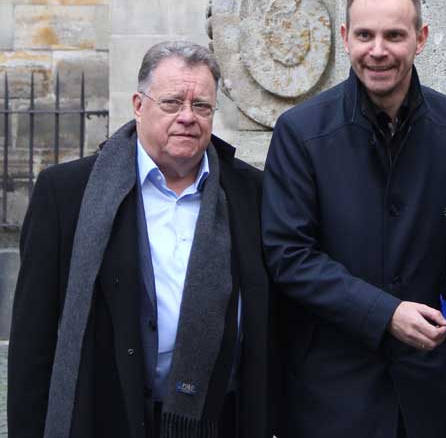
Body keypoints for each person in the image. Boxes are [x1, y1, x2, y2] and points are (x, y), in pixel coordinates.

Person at [261, 0, 446, 438]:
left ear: (421, 39)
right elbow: (288, 256)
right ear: (344, 38)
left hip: (432, 393)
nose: (378, 50)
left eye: (394, 35)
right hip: (331, 397)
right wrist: (386, 313)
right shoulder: (300, 131)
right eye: (364, 35)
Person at [8, 41, 273, 438]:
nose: (187, 117)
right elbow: (33, 341)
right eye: (171, 103)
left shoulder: (249, 192)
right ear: (138, 104)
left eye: (201, 106)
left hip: (221, 418)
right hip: (105, 417)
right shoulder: (67, 193)